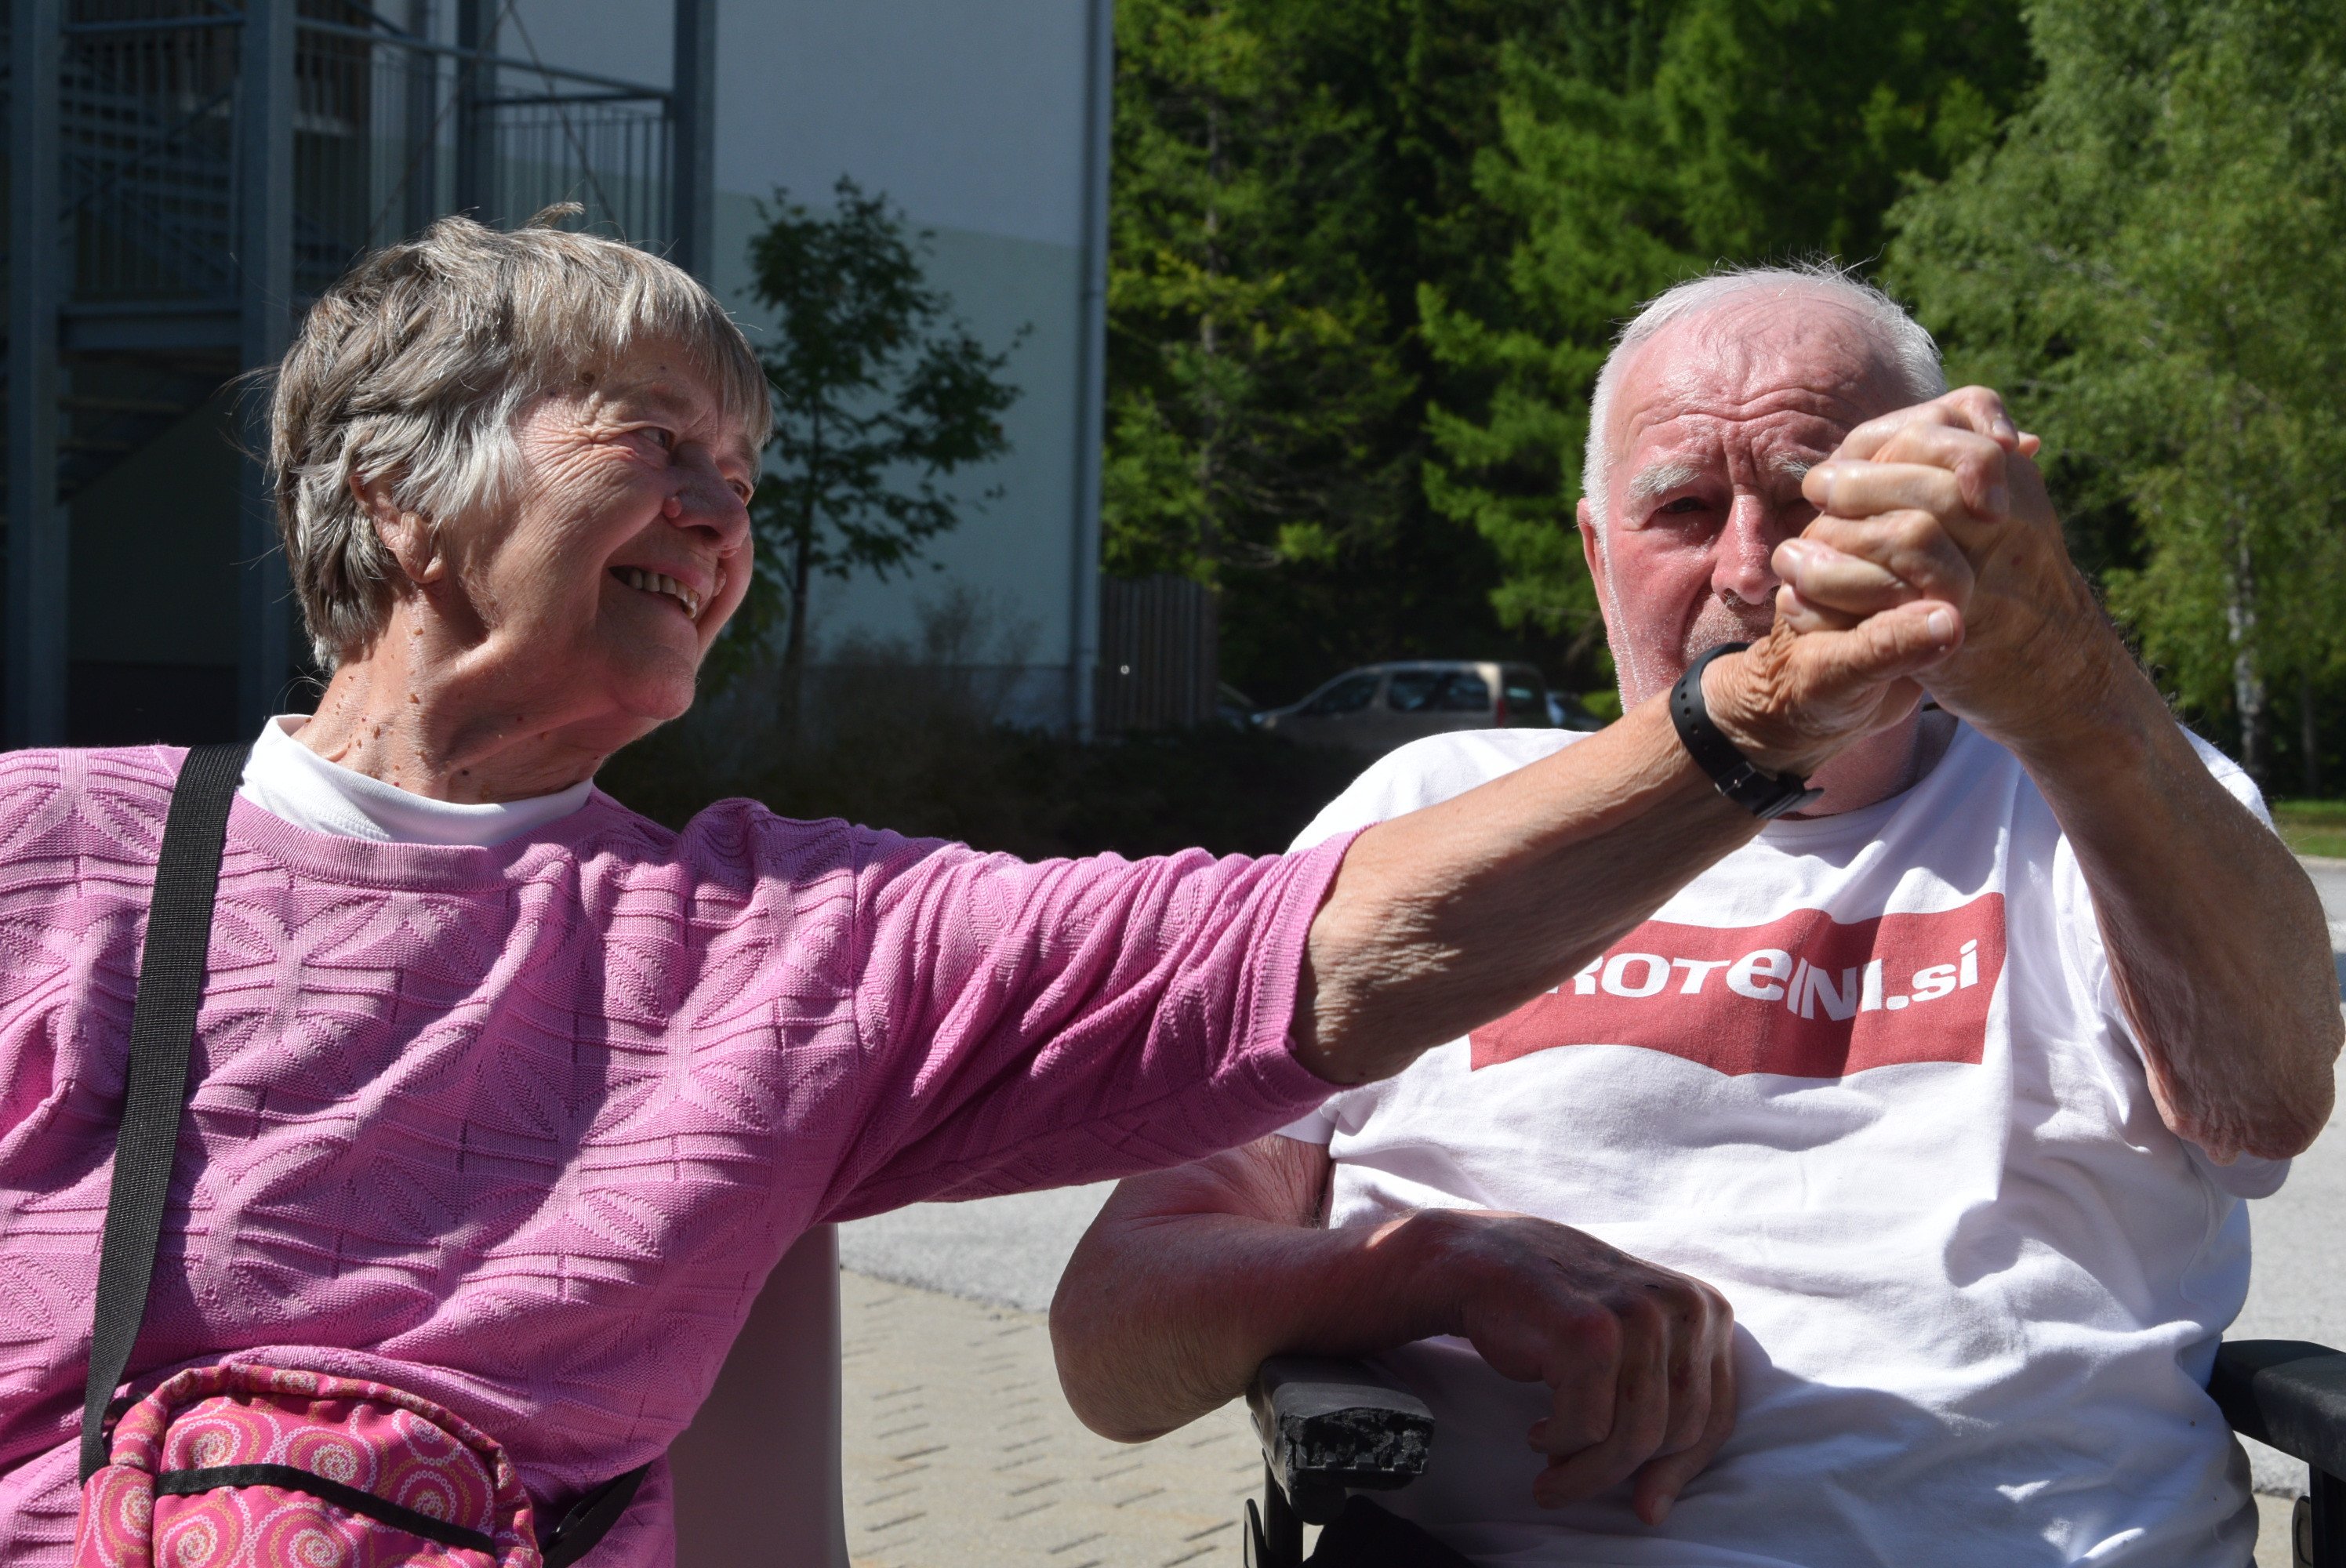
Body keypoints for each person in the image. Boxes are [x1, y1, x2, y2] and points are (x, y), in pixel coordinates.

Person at [0, 228, 1950, 1565]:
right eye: (654, 443)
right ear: (394, 497)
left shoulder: (778, 945)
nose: (720, 512)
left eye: (745, 475)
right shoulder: (48, 856)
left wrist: (1767, 708)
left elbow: (1314, 950)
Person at [1050, 264, 2344, 1568]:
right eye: (1679, 507)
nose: (1747, 567)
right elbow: (1116, 1336)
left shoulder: (2087, 788)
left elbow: (2266, 1099)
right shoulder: (1431, 811)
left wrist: (2063, 673)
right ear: (1596, 553)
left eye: (1807, 500)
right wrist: (1424, 1267)